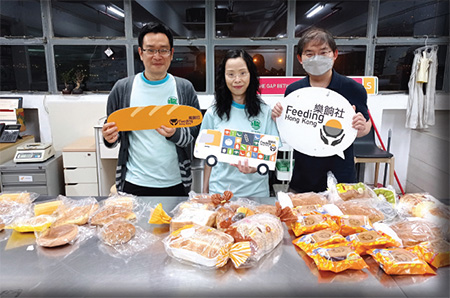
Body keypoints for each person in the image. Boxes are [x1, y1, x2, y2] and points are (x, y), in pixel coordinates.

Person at [102, 22, 200, 196]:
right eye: (150, 50)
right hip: (133, 181)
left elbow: (193, 134)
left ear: (171, 54)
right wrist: (110, 137)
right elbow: (114, 130)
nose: (157, 56)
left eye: (163, 50)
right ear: (141, 53)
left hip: (176, 181)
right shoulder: (122, 88)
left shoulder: (184, 88)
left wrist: (174, 134)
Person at [272, 27, 371, 193]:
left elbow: (365, 128)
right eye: (309, 53)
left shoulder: (353, 89)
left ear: (335, 54)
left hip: (341, 176)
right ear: (300, 58)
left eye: (323, 52)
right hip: (303, 175)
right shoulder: (293, 91)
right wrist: (277, 117)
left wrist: (361, 126)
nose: (316, 58)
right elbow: (289, 128)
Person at [200, 49, 280, 197]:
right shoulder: (213, 114)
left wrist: (255, 167)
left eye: (243, 73)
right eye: (231, 74)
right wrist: (205, 189)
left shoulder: (265, 112)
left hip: (256, 194)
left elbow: (271, 153)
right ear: (224, 77)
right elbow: (207, 154)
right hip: (221, 193)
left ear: (251, 75)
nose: (237, 80)